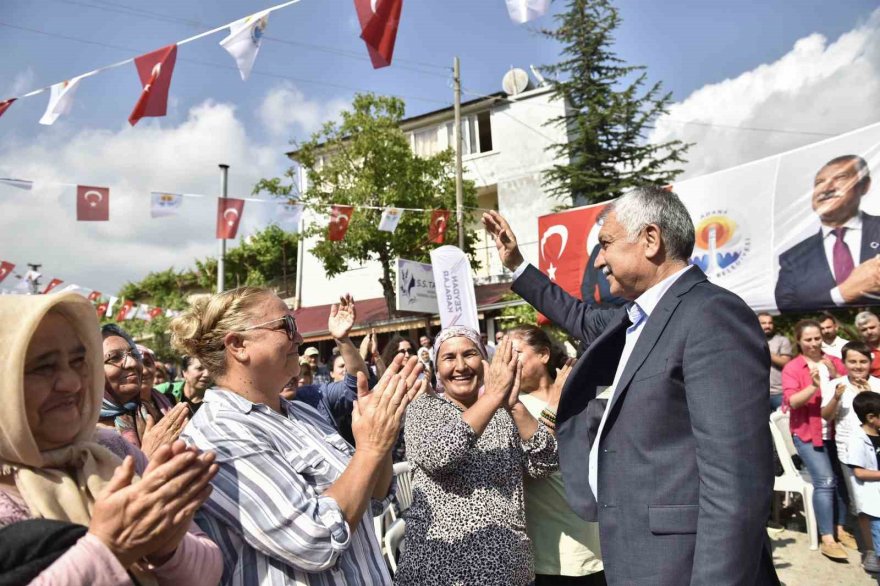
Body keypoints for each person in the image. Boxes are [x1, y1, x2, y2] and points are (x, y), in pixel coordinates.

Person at [482, 186, 777, 584]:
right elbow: (576, 315)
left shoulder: (711, 315)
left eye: (606, 244)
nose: (599, 260)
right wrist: (516, 265)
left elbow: (735, 485)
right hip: (638, 556)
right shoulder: (636, 318)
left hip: (684, 565)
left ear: (651, 240)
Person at [171, 286, 425, 585]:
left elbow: (374, 500)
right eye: (286, 326)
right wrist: (369, 448)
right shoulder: (219, 433)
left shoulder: (302, 413)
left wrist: (382, 430)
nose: (300, 339)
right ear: (238, 345)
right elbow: (315, 541)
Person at [0, 292, 222, 584]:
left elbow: (208, 569)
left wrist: (166, 546)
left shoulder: (112, 449)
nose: (73, 383)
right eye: (43, 367)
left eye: (79, 361)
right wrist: (109, 550)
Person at [394, 329, 558, 586]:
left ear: (484, 362)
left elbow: (545, 464)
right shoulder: (425, 409)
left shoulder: (504, 413)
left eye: (469, 354)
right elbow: (440, 455)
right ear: (436, 368)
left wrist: (514, 405)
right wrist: (492, 397)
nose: (461, 366)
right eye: (449, 357)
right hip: (442, 572)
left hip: (509, 570)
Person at [507, 324, 605, 585]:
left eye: (515, 353)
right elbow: (539, 459)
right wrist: (554, 405)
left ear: (544, 355)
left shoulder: (580, 395)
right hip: (554, 554)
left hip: (600, 540)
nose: (509, 362)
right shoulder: (512, 408)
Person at [782, 319, 856, 559]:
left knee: (842, 481)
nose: (814, 343)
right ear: (799, 341)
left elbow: (851, 391)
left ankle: (840, 528)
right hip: (807, 433)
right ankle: (827, 538)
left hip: (837, 432)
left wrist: (836, 375)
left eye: (817, 338)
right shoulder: (793, 368)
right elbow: (792, 401)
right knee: (825, 481)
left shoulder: (834, 362)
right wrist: (813, 387)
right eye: (808, 339)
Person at [775, 154, 878, 312]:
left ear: (864, 185)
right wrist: (840, 295)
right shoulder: (794, 258)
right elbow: (787, 308)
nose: (827, 188)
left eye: (840, 177)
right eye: (819, 183)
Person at [821, 340, 880, 571]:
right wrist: (836, 397)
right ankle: (870, 550)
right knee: (863, 504)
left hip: (876, 448)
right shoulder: (836, 385)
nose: (858, 366)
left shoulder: (876, 384)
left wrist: (871, 395)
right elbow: (826, 416)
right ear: (844, 363)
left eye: (863, 361)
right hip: (850, 453)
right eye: (852, 361)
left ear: (870, 362)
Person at [99, 324, 189, 457]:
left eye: (134, 354)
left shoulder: (147, 412)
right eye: (114, 357)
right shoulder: (83, 433)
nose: (133, 363)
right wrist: (148, 457)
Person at [845, 391, 880, 580]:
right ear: (871, 418)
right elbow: (859, 472)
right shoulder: (857, 439)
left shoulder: (878, 432)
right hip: (873, 499)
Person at [759, 313, 793, 411]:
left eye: (770, 323)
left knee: (784, 424)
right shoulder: (750, 341)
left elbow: (786, 363)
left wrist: (766, 350)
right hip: (759, 394)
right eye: (763, 323)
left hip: (779, 393)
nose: (767, 326)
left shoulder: (782, 340)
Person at [137, 343, 175, 422]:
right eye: (137, 365)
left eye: (147, 363)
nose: (145, 371)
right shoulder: (126, 410)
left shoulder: (169, 399)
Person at [856, 311, 880, 378]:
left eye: (872, 327)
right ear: (859, 332)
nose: (869, 332)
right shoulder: (859, 351)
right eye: (864, 330)